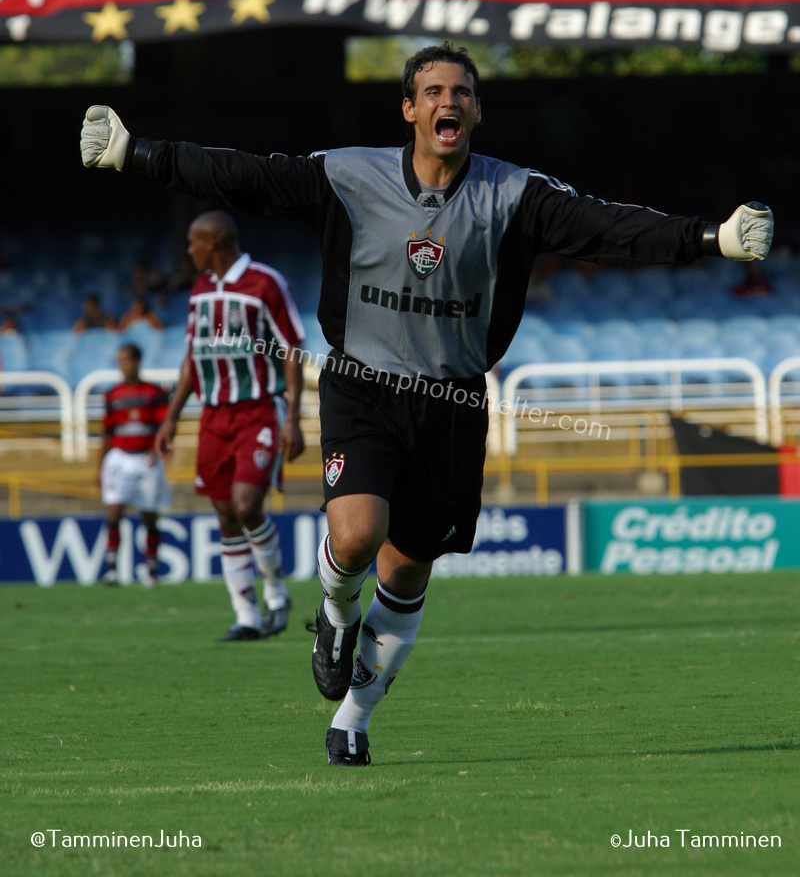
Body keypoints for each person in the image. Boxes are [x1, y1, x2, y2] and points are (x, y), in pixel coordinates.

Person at [79, 44, 775, 765]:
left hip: (451, 401)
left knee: (407, 570)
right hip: (362, 384)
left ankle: (354, 715)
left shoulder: (514, 195)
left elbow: (609, 227)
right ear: (409, 109)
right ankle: (335, 612)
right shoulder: (350, 176)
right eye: (434, 91)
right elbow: (245, 174)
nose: (450, 102)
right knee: (354, 537)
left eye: (463, 92)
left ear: (476, 110)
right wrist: (136, 153)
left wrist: (710, 238)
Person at [152, 212, 305, 642]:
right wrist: (171, 416)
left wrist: (293, 417)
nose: (188, 250)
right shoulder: (201, 288)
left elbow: (292, 347)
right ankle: (246, 615)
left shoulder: (264, 282)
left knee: (246, 504)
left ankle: (275, 592)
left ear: (214, 242)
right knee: (224, 513)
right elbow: (192, 358)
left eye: (193, 242)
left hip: (257, 410)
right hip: (213, 416)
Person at [97, 343, 170, 587]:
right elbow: (106, 432)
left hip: (147, 459)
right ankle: (112, 569)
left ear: (138, 361)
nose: (122, 365)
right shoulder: (112, 395)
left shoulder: (155, 392)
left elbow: (164, 427)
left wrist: (156, 449)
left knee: (149, 516)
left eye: (126, 360)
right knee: (114, 511)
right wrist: (99, 465)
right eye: (119, 360)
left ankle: (152, 570)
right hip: (119, 457)